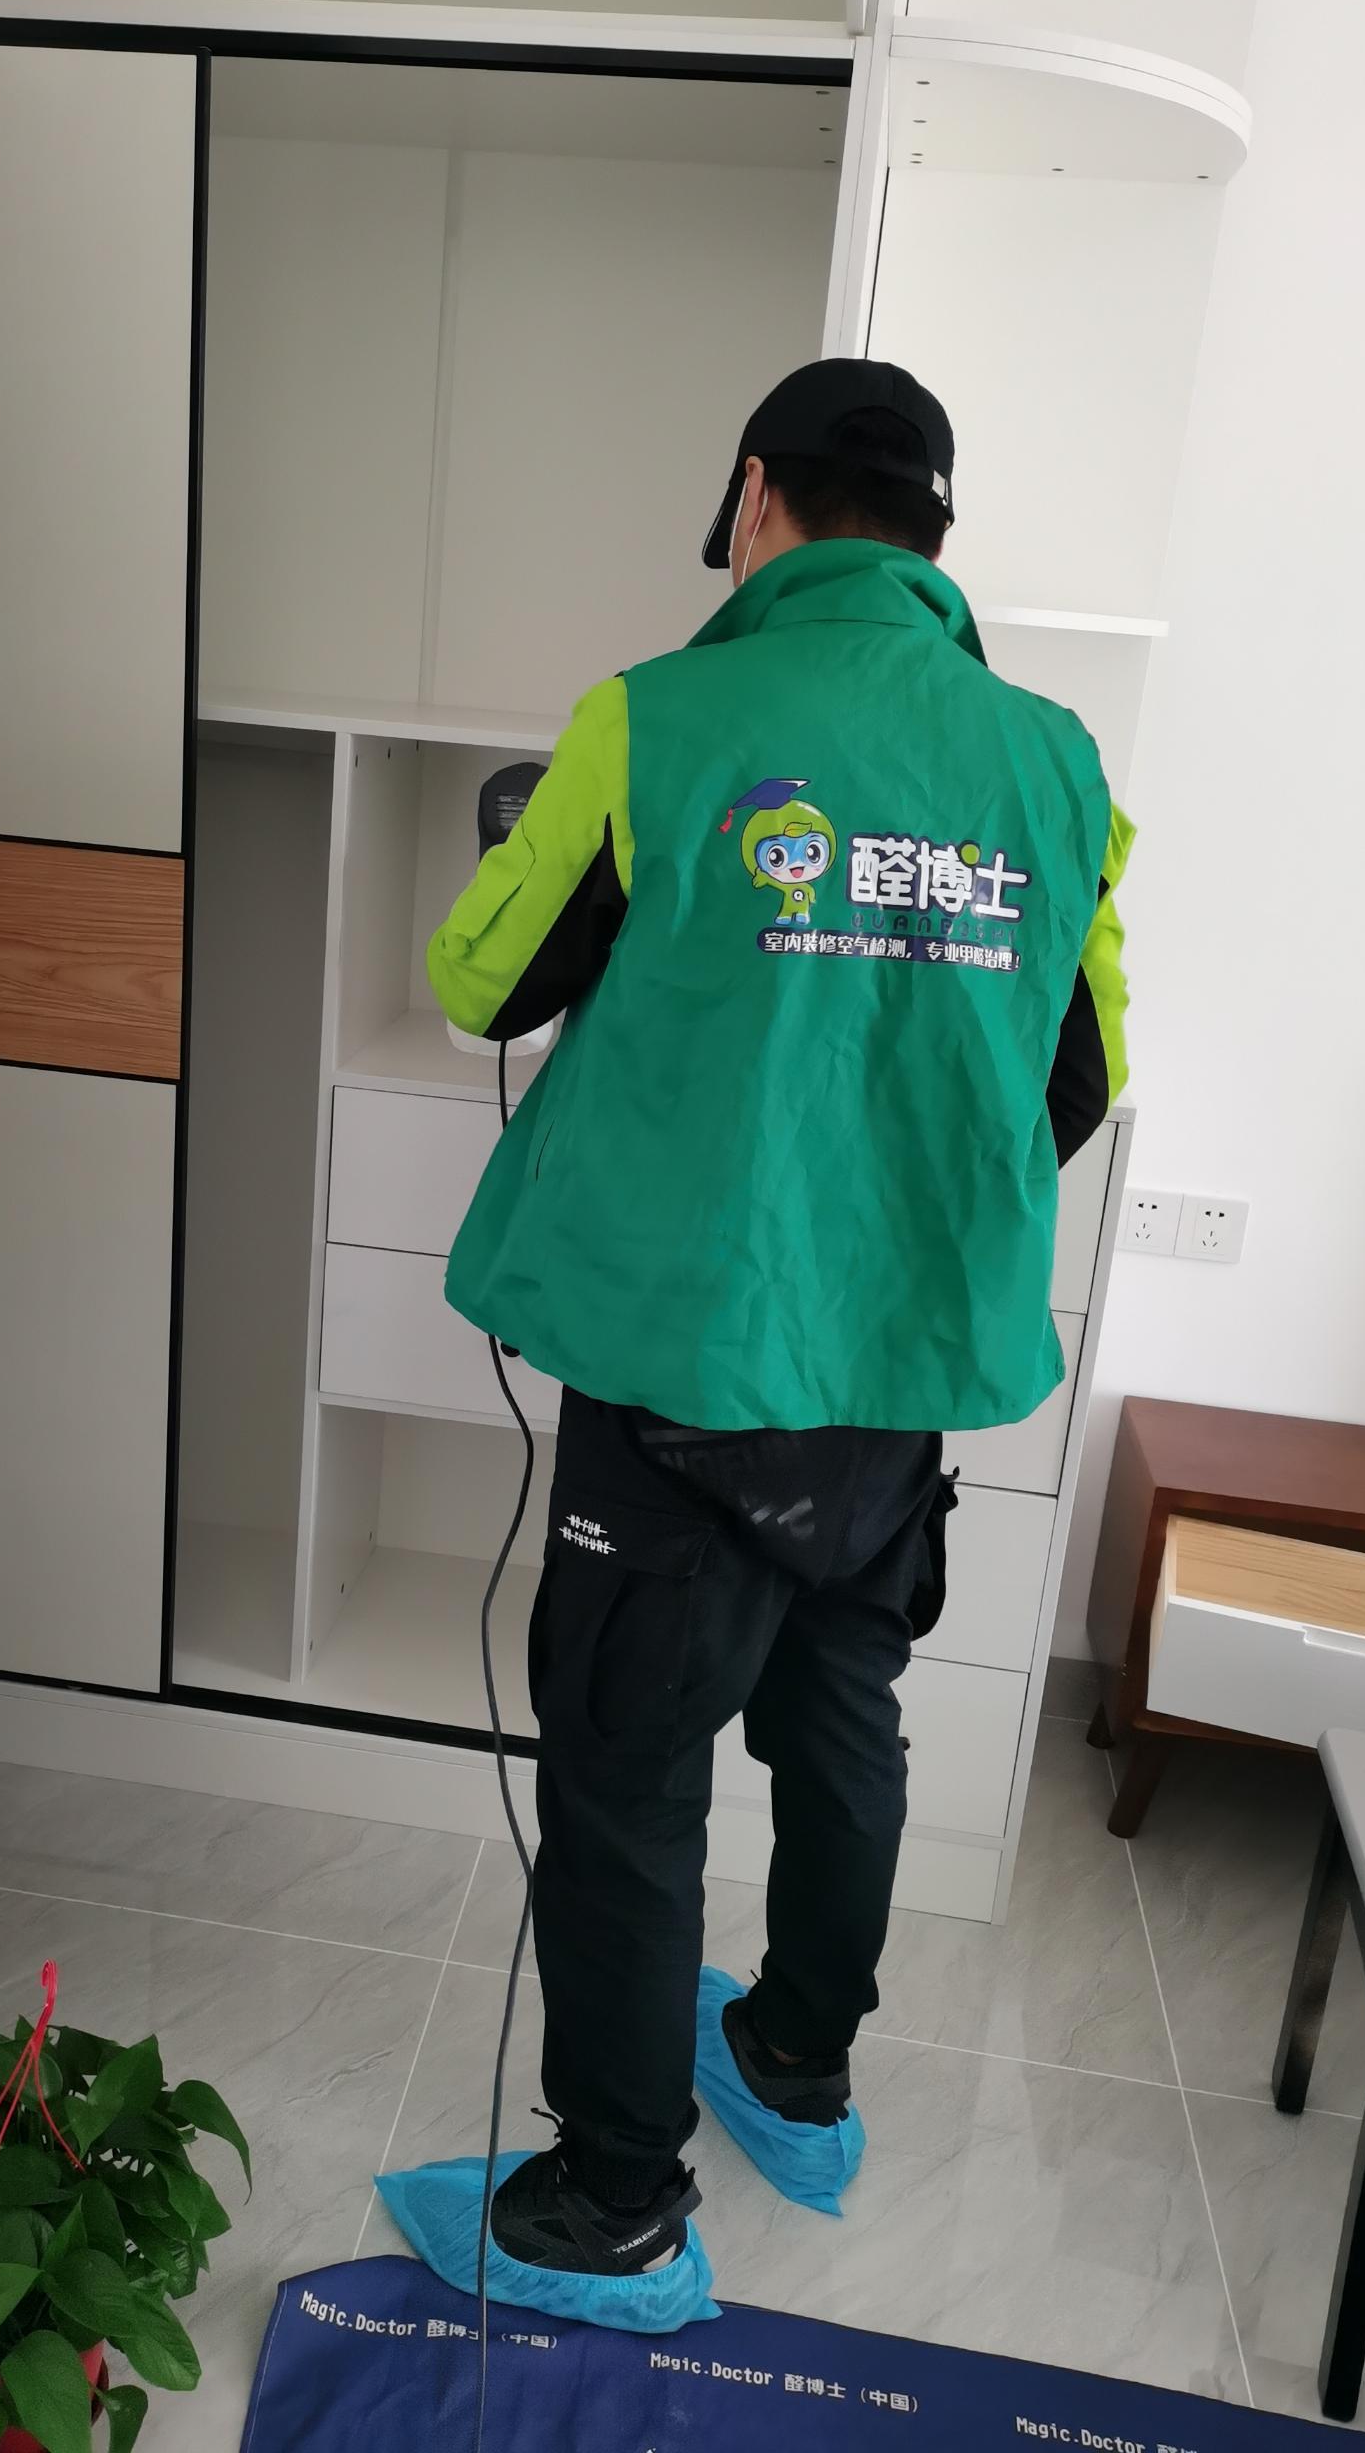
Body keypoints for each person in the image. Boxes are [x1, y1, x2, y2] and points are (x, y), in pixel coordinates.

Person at [426, 358, 1132, 2293]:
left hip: (687, 1356)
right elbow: (1078, 1076)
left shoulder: (657, 717)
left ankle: (616, 2195)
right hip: (896, 1373)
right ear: (934, 537)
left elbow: (485, 978)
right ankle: (799, 2065)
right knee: (841, 1709)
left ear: (756, 498)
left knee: (628, 1768)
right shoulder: (1057, 763)